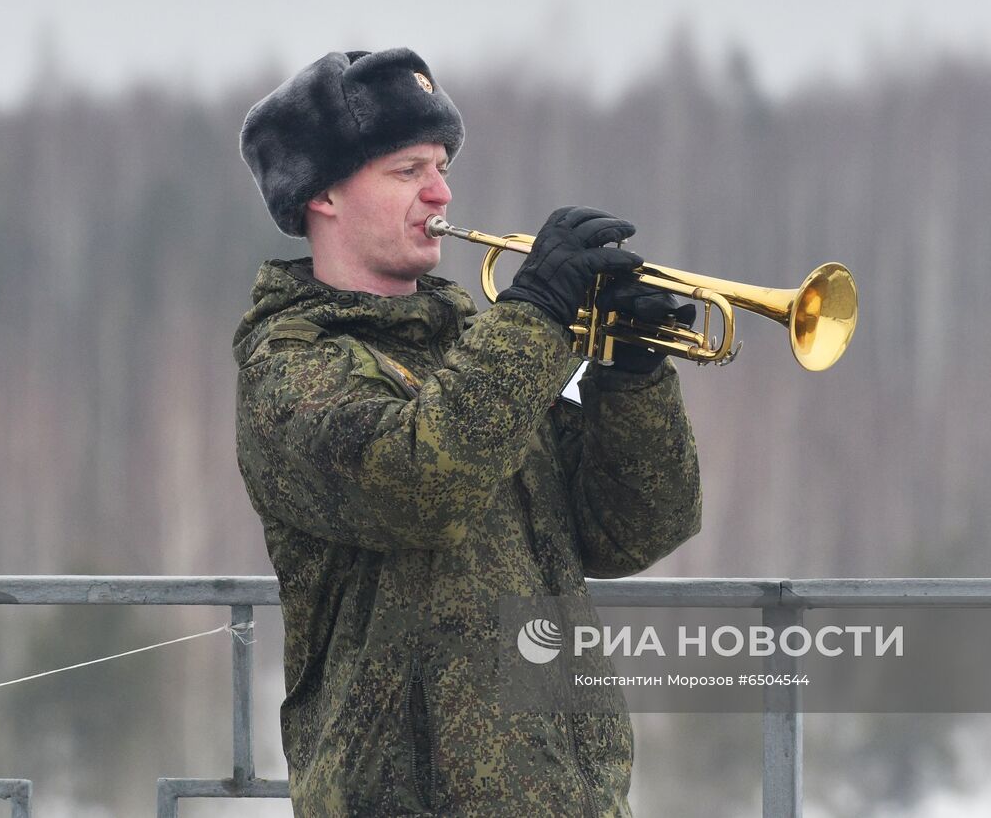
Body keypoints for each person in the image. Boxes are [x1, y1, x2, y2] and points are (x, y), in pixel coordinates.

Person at [233, 47, 702, 817]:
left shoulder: (474, 347)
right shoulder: (287, 366)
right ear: (322, 193)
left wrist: (632, 377)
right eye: (407, 169)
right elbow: (421, 481)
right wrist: (537, 314)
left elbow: (634, 530)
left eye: (442, 164)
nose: (441, 191)